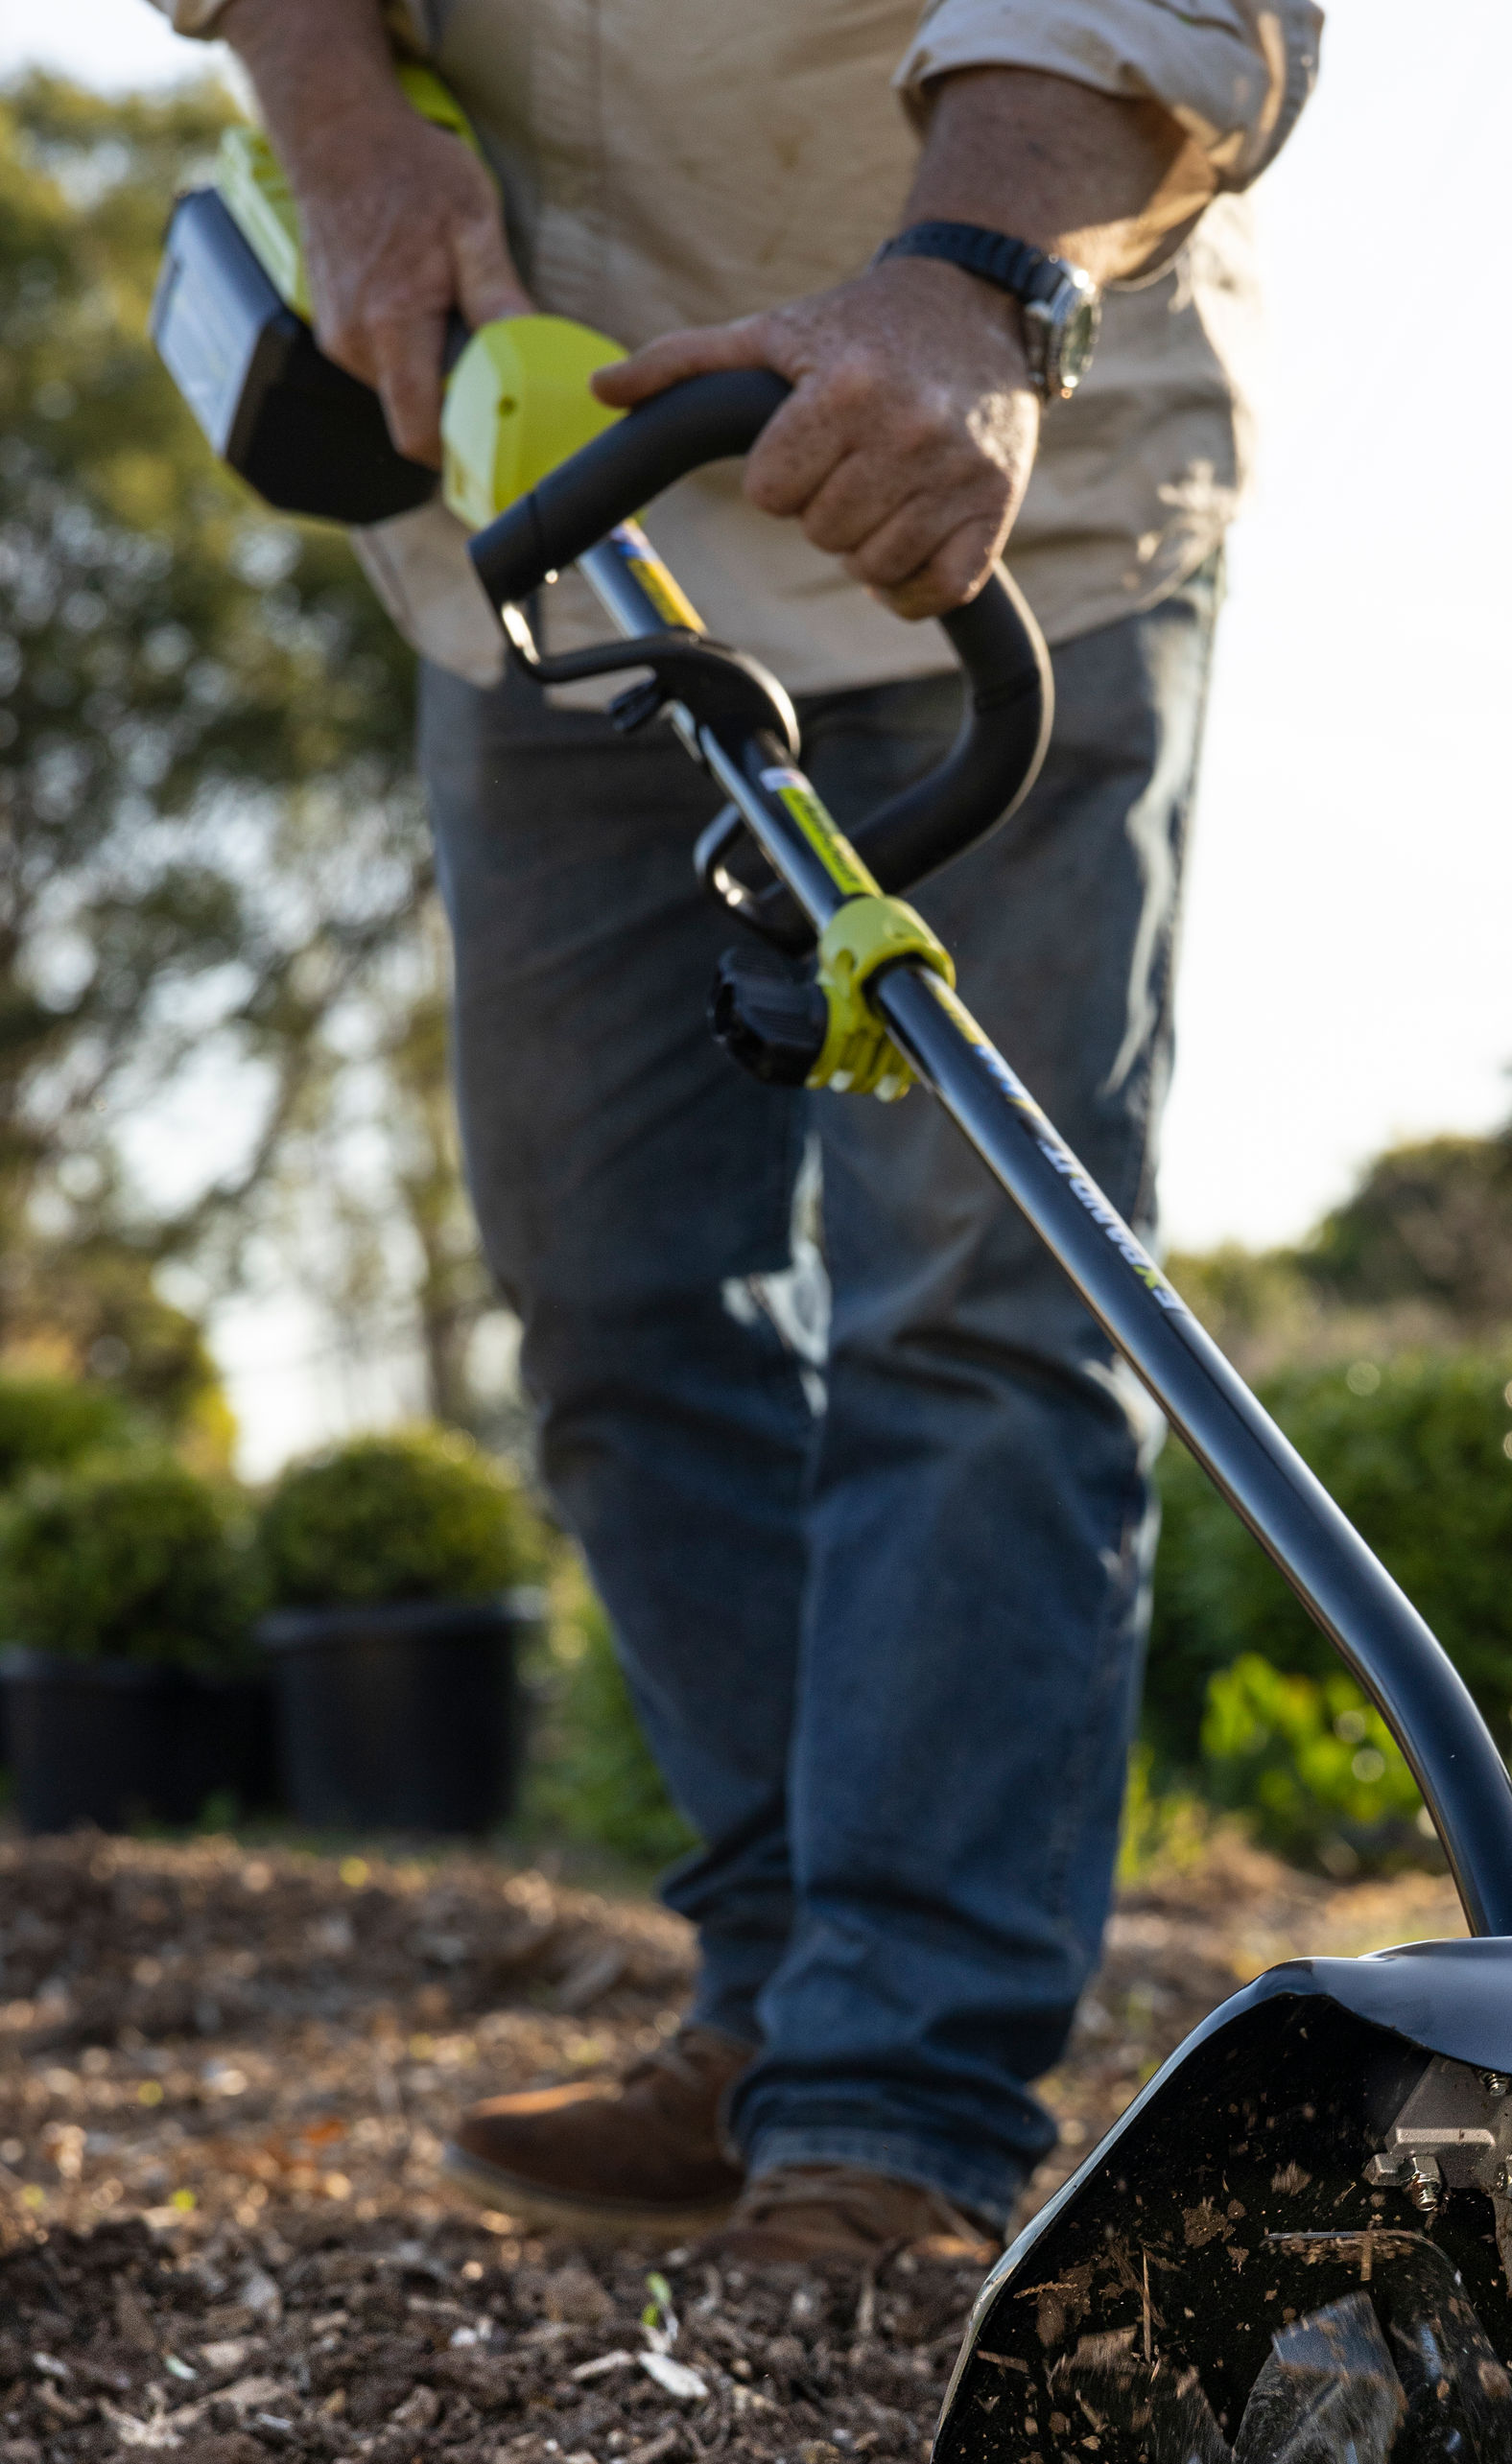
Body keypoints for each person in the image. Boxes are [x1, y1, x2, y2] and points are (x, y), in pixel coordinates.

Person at [164, 0, 1321, 2263]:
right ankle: (795, 1987)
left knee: (980, 1297)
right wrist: (343, 131)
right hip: (545, 527)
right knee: (611, 1299)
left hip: (989, 485)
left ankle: (891, 2094)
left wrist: (975, 277)